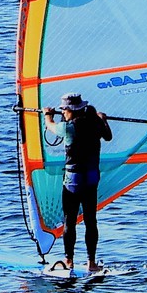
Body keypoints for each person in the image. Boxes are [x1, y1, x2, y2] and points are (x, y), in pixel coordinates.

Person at [44, 92, 113, 272]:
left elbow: (50, 127)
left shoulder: (68, 128)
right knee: (91, 221)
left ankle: (69, 261)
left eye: (64, 110)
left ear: (71, 110)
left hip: (73, 180)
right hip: (91, 178)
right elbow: (108, 136)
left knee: (70, 221)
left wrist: (48, 115)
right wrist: (102, 119)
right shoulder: (96, 123)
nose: (63, 113)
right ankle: (91, 263)